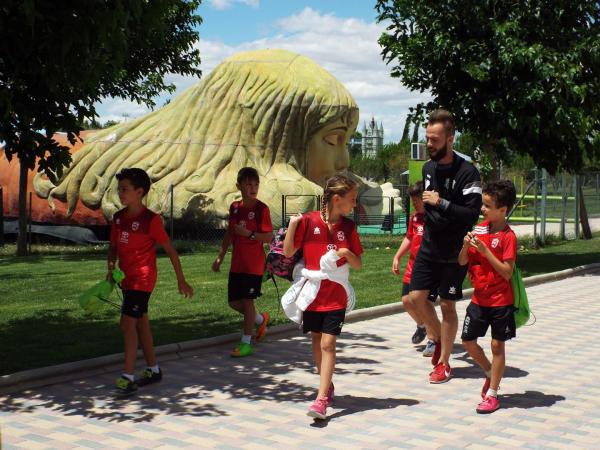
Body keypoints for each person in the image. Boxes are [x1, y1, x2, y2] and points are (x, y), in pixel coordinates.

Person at [409, 109, 482, 384]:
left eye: (435, 140)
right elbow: (428, 211)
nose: (429, 144)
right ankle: (439, 337)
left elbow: (470, 214)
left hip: (454, 252)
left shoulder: (468, 172)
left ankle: (444, 362)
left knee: (447, 305)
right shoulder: (428, 169)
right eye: (427, 138)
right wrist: (438, 211)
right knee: (416, 297)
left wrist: (441, 204)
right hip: (429, 247)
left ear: (450, 139)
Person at [283, 174, 363, 420]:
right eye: (352, 199)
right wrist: (293, 226)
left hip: (336, 294)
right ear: (337, 199)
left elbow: (358, 264)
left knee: (328, 344)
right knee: (316, 340)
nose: (355, 204)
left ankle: (320, 400)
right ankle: (326, 387)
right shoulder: (308, 222)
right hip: (312, 294)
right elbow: (287, 252)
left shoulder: (348, 227)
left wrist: (347, 253)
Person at [108, 168, 194, 396]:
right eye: (119, 189)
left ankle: (127, 376)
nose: (121, 193)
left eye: (125, 189)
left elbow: (171, 252)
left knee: (126, 324)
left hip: (143, 279)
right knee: (140, 322)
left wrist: (181, 280)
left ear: (140, 192)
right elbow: (113, 247)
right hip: (126, 279)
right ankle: (153, 369)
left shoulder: (150, 220)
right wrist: (110, 266)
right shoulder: (117, 218)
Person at [458, 180, 518, 414]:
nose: (482, 209)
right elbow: (462, 261)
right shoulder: (480, 228)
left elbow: (507, 272)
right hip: (478, 299)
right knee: (468, 341)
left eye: (487, 205)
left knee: (496, 345)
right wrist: (465, 246)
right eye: (482, 204)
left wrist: (486, 252)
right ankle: (489, 372)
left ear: (502, 210)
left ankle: (492, 394)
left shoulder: (508, 236)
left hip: (501, 301)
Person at [212, 167, 273, 357]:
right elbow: (230, 233)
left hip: (253, 265)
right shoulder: (235, 207)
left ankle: (246, 343)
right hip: (237, 263)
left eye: (256, 184)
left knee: (247, 301)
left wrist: (250, 234)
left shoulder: (262, 209)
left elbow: (269, 237)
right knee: (233, 302)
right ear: (239, 186)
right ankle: (259, 319)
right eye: (248, 184)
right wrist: (221, 256)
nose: (253, 188)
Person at [392, 181, 439, 354]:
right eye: (412, 200)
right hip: (413, 265)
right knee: (406, 300)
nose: (413, 203)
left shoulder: (435, 218)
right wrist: (397, 256)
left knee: (422, 302)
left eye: (416, 200)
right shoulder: (415, 217)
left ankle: (434, 340)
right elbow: (409, 238)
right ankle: (422, 326)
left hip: (428, 266)